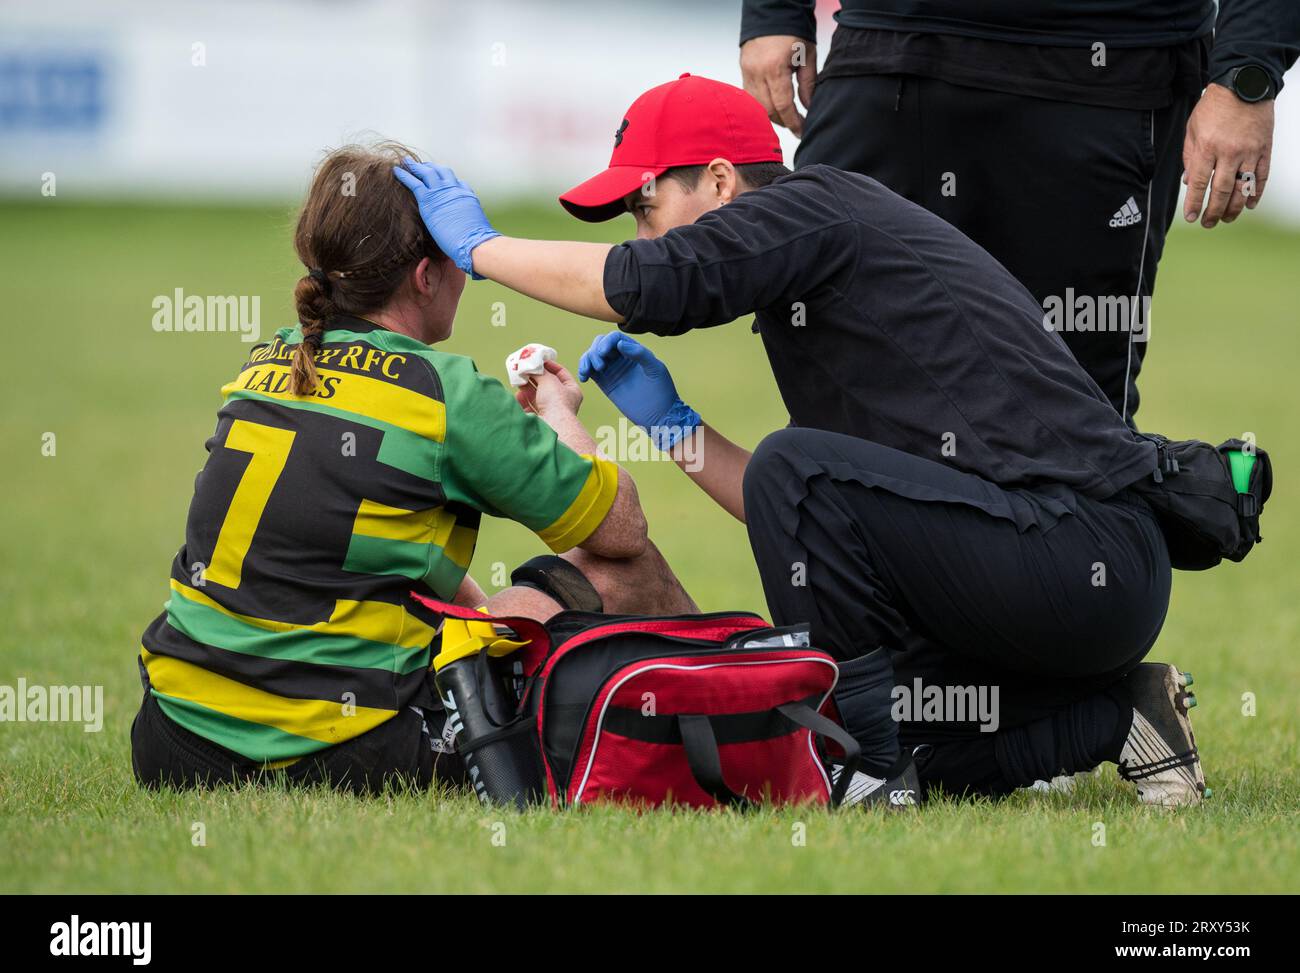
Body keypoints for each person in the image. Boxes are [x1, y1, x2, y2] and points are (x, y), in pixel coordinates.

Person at [394, 75, 1208, 806]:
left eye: (645, 208)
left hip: (1079, 550)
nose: (644, 237)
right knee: (829, 713)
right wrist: (675, 428)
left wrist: (482, 250)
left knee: (835, 703)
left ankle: (865, 774)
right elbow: (807, 520)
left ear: (718, 180)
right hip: (1058, 571)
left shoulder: (807, 207)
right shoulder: (813, 274)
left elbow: (651, 284)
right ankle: (1114, 719)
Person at [130, 141, 696, 794]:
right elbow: (619, 528)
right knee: (628, 570)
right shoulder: (443, 393)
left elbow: (365, 538)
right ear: (426, 275)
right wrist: (562, 413)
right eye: (458, 256)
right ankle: (744, 709)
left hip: (173, 737)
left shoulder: (269, 363)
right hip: (338, 744)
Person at [739, 0, 1300, 422]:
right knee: (833, 393)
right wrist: (773, 11)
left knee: (1077, 418)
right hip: (885, 52)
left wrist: (1245, 75)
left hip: (1109, 73)